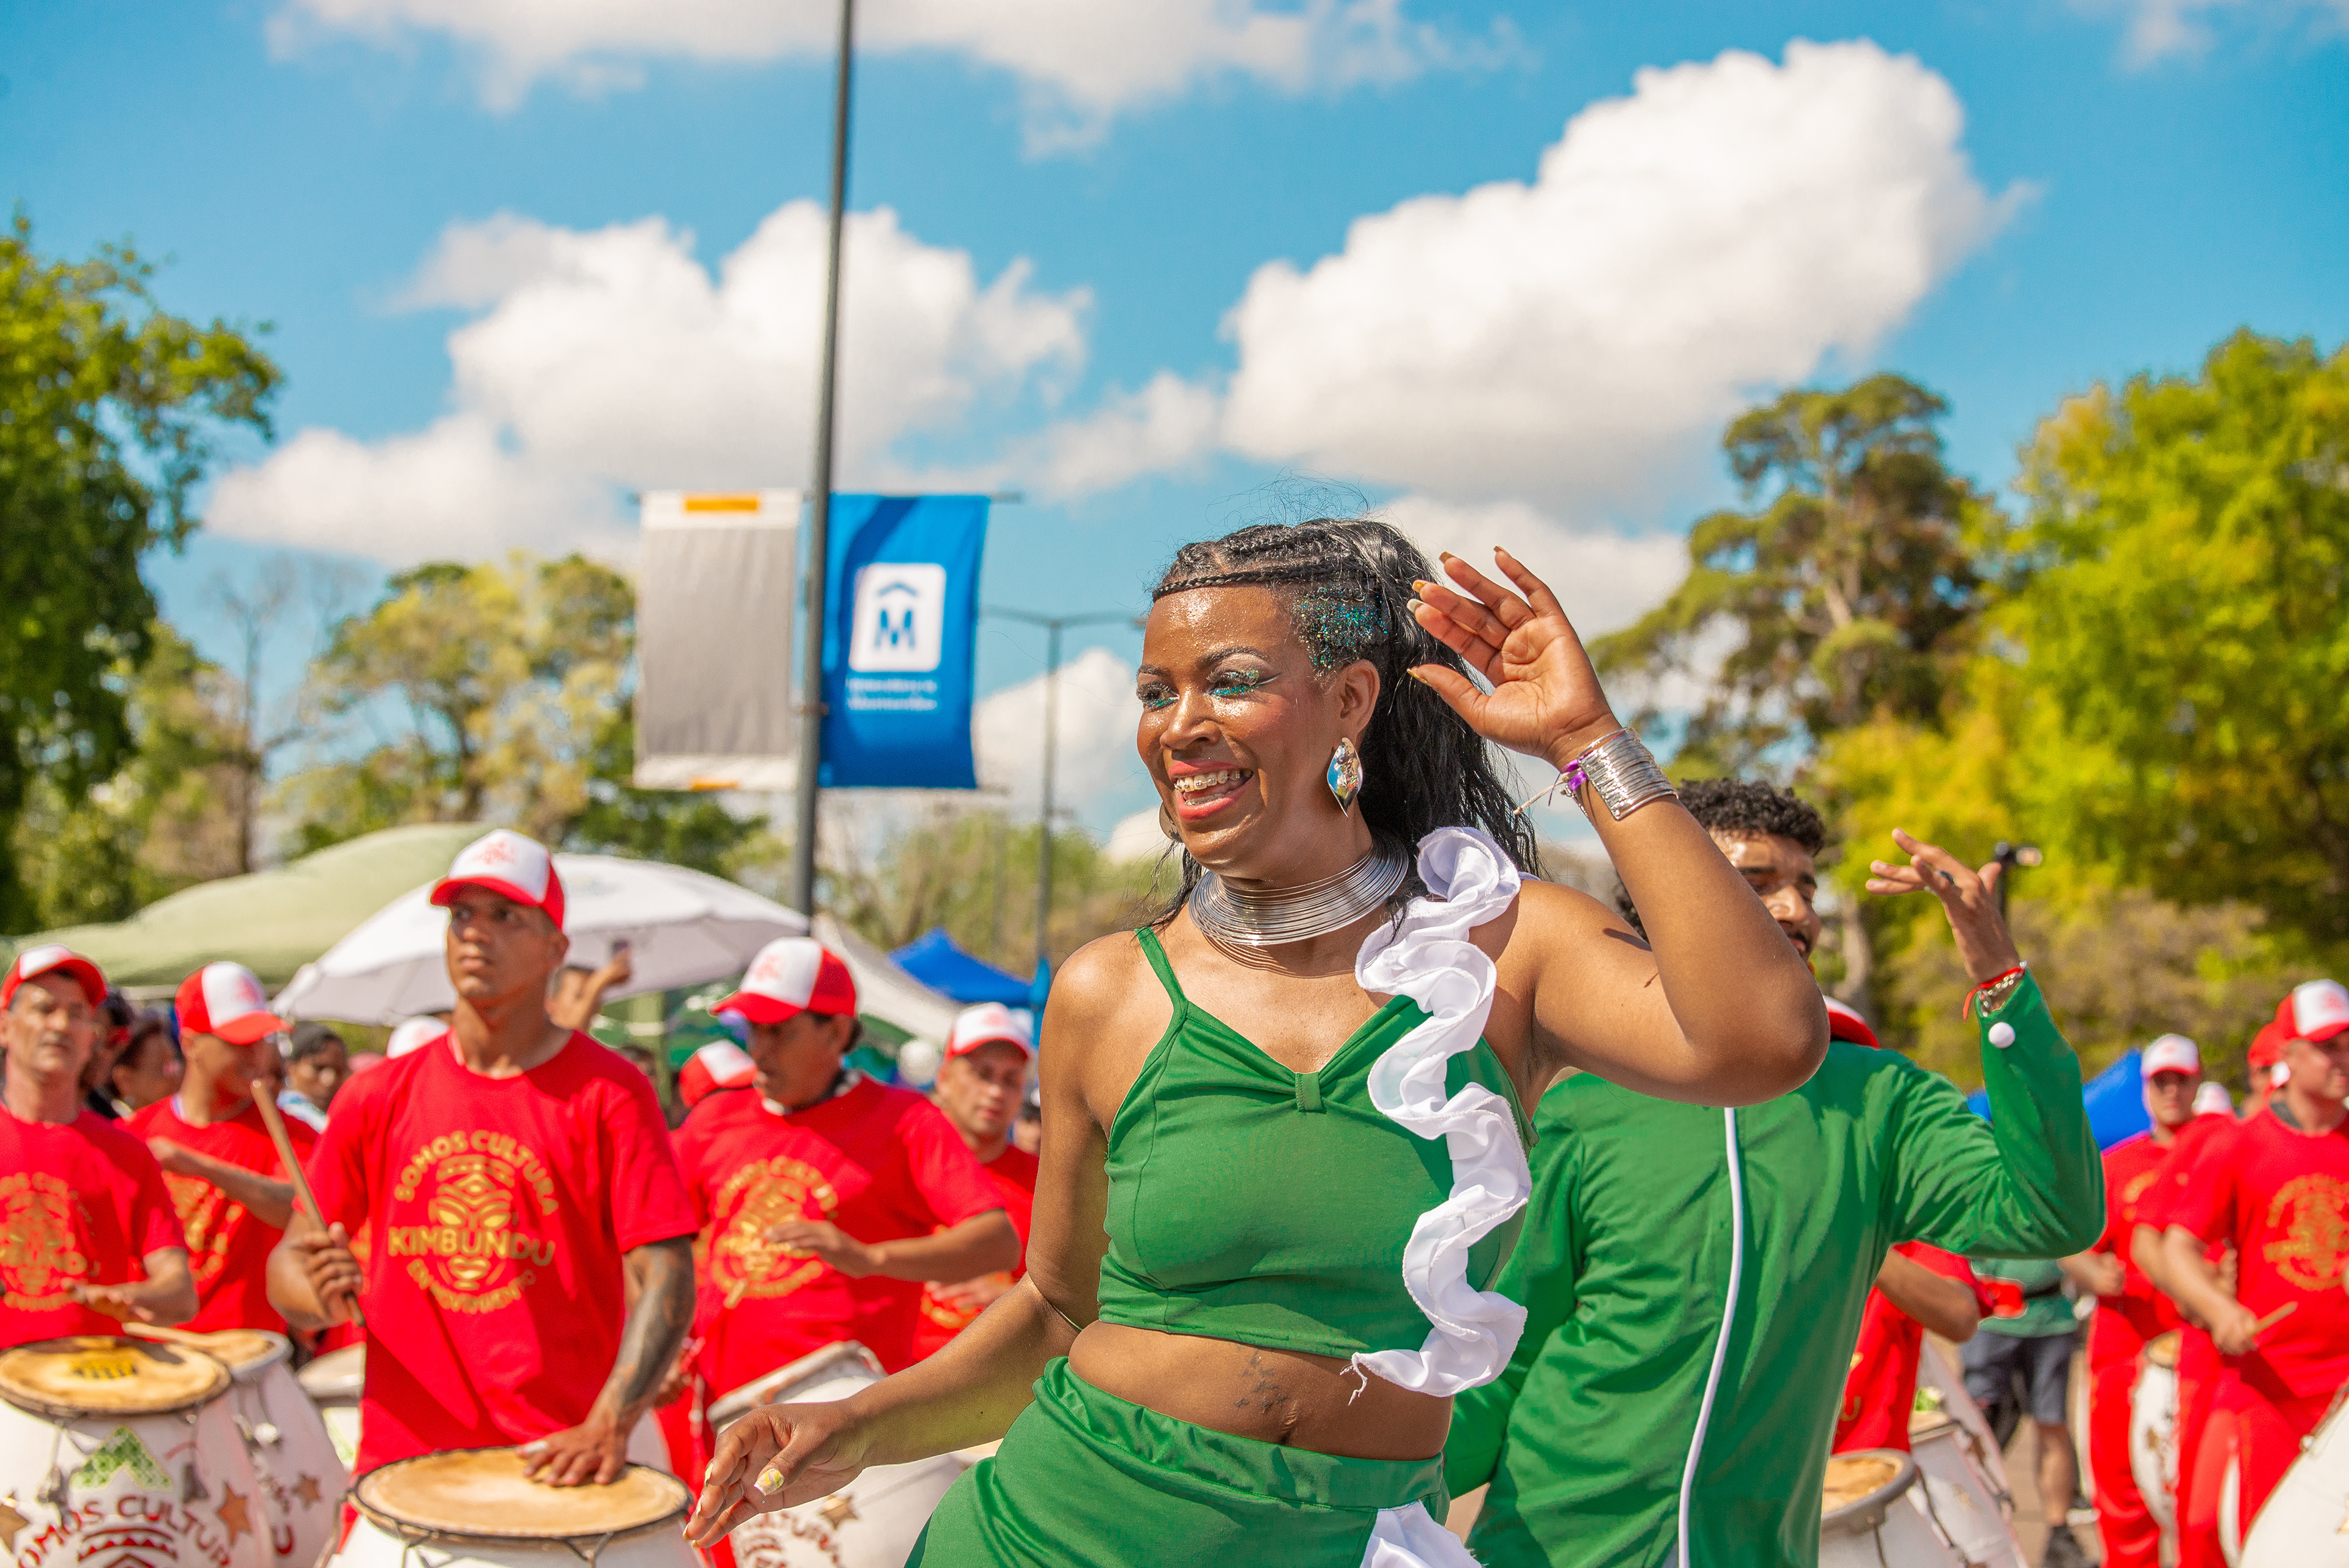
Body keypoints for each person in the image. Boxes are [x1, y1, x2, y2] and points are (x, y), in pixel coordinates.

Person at [688, 523, 1828, 1567]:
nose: (1179, 725)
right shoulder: (1108, 991)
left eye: (1230, 681)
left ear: (1350, 699)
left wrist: (1587, 739)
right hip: (1052, 1535)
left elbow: (1764, 1039)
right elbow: (1058, 1314)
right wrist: (857, 1422)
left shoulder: (1501, 943)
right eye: (1156, 692)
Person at [1445, 780, 2095, 1568]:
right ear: (1667, 905)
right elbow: (1504, 1347)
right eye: (1758, 883)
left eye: (1807, 888)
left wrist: (2001, 983)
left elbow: (2051, 1212)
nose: (1797, 911)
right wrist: (1377, 1503)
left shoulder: (1877, 1098)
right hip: (1548, 1546)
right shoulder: (1582, 1101)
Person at [267, 829, 698, 1485]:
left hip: (558, 1465)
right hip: (402, 1468)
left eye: (504, 916)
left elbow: (668, 1272)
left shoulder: (611, 1091)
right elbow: (289, 1265)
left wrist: (613, 1420)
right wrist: (317, 1295)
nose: (474, 932)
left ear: (556, 948)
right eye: (461, 914)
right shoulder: (375, 1093)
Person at [670, 938, 1017, 1403]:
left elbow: (997, 1243)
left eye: (779, 1031)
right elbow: (655, 1245)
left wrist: (869, 1259)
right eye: (754, 1030)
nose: (760, 1050)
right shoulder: (714, 1119)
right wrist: (666, 1347)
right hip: (724, 1404)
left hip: (848, 1413)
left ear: (836, 1033)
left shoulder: (906, 1120)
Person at [2158, 978, 2349, 1540]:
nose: (2342, 1059)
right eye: (2327, 1047)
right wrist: (2219, 1309)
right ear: (2290, 1053)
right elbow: (2176, 1247)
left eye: (2348, 1045)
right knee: (2269, 1540)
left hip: (2346, 1391)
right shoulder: (2240, 1144)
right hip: (2272, 1387)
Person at [0, 945, 198, 1344]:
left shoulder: (127, 1154)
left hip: (97, 1375)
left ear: (92, 1038)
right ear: (5, 1026)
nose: (61, 1025)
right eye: (44, 1009)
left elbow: (180, 1293)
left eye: (76, 1015)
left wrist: (132, 1296)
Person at [2059, 1034, 2199, 1568]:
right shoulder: (2118, 1164)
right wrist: (2093, 1271)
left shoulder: (2219, 1151)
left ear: (2197, 1084)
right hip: (2126, 1347)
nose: (2171, 1091)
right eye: (2161, 1081)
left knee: (2199, 1502)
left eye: (2181, 1080)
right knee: (2123, 1496)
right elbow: (2069, 1242)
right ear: (2145, 1089)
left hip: (2198, 1348)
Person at [128, 963, 315, 1334]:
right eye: (238, 1042)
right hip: (152, 1345)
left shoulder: (292, 1135)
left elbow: (304, 1215)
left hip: (249, 1351)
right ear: (190, 1045)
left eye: (262, 1039)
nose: (255, 1055)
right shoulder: (134, 1132)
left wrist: (201, 1167)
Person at [911, 1003, 1043, 1361]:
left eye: (1010, 1080)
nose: (996, 1092)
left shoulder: (1047, 1187)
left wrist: (1019, 1298)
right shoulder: (899, 1163)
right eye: (982, 1074)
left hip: (999, 1376)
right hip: (890, 1373)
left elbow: (1076, 1297)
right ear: (944, 1079)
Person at [278, 1021, 349, 1131]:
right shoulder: (282, 1114)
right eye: (318, 1068)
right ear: (291, 1067)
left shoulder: (343, 1119)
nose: (329, 1080)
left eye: (338, 1071)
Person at [109, 1010, 184, 1114]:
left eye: (174, 1062)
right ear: (125, 1080)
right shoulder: (110, 1123)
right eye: (163, 1067)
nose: (176, 1077)